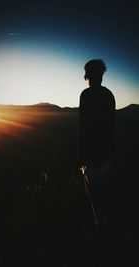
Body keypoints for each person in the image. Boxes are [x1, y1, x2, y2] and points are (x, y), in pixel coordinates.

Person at [78, 59, 116, 235]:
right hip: (107, 153)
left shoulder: (86, 95)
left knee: (94, 195)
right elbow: (110, 126)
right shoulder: (109, 95)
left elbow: (84, 127)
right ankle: (106, 225)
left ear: (87, 75)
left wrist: (82, 154)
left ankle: (99, 228)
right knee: (105, 193)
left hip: (92, 155)